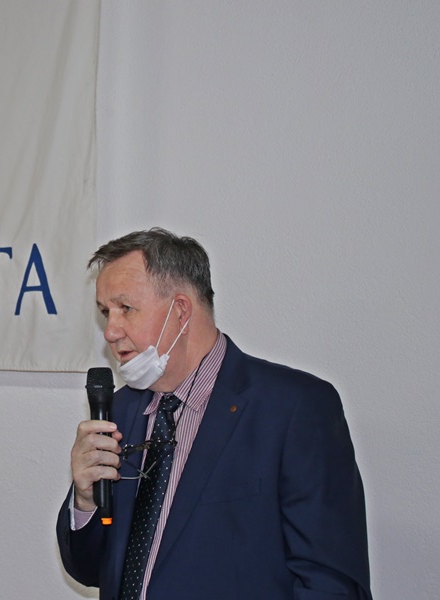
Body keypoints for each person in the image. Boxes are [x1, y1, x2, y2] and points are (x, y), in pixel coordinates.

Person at [56, 228, 372, 600]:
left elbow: (330, 583)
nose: (110, 331)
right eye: (105, 312)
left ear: (180, 311)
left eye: (125, 308)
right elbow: (89, 569)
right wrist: (86, 501)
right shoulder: (120, 411)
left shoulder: (293, 407)